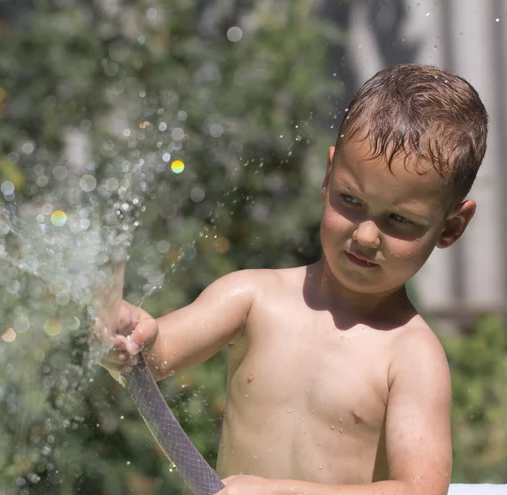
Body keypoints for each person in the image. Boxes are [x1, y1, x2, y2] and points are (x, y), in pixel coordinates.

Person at [93, 64, 488, 495]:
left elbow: (420, 491)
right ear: (328, 176)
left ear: (449, 228)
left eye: (399, 220)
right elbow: (155, 356)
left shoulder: (412, 357)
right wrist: (133, 337)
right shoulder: (252, 297)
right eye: (350, 199)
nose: (365, 234)